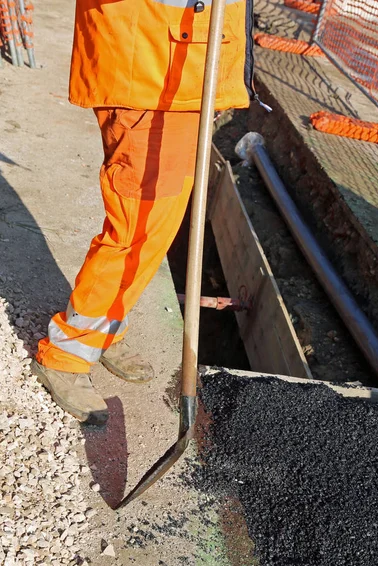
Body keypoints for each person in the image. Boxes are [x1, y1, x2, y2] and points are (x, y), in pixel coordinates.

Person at [31, 0, 254, 425]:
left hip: (179, 69)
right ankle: (68, 353)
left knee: (153, 229)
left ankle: (104, 326)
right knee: (137, 228)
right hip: (154, 73)